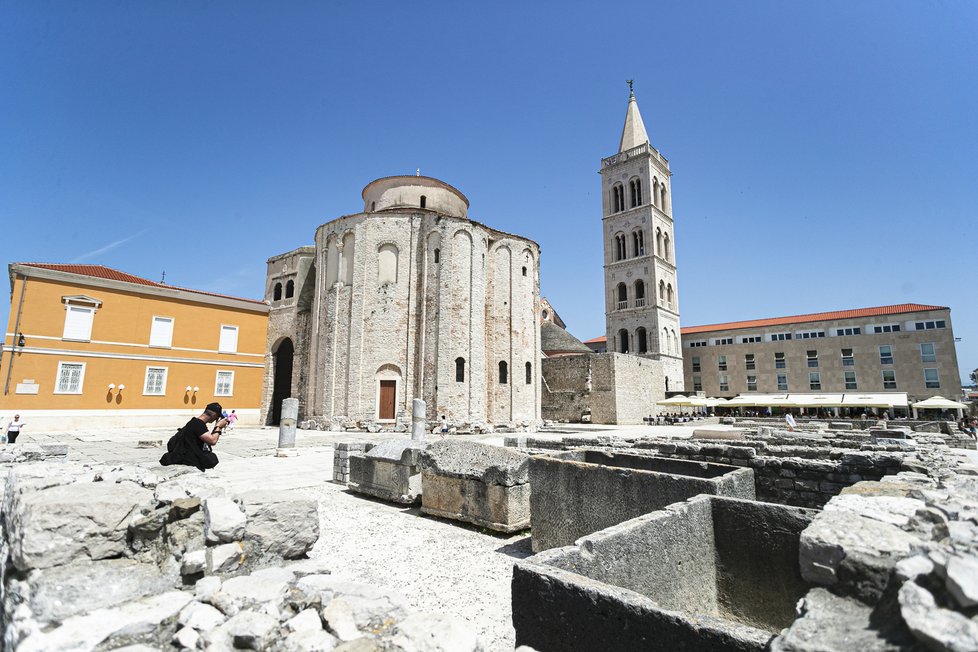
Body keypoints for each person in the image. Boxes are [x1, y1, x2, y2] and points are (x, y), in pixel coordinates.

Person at [160, 402, 227, 471]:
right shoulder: (197, 424)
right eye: (217, 417)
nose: (216, 419)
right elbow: (212, 441)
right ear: (214, 415)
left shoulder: (195, 423)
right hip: (189, 462)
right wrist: (218, 426)